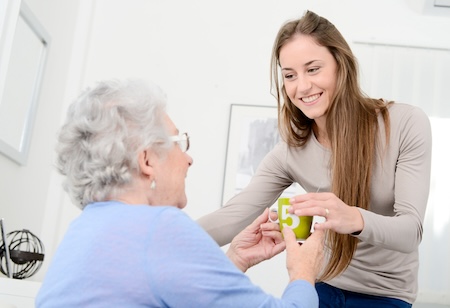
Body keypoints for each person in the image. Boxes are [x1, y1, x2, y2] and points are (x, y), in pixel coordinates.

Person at [197, 10, 432, 308]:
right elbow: (232, 217)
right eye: (290, 75)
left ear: (340, 65)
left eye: (313, 69)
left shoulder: (404, 123)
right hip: (318, 289)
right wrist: (158, 238)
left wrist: (352, 217)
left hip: (386, 296)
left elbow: (411, 232)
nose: (302, 87)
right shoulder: (289, 152)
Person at [35, 78, 325, 307]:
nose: (188, 159)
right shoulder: (158, 227)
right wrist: (303, 270)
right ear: (146, 160)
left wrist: (236, 259)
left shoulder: (83, 230)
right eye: (178, 142)